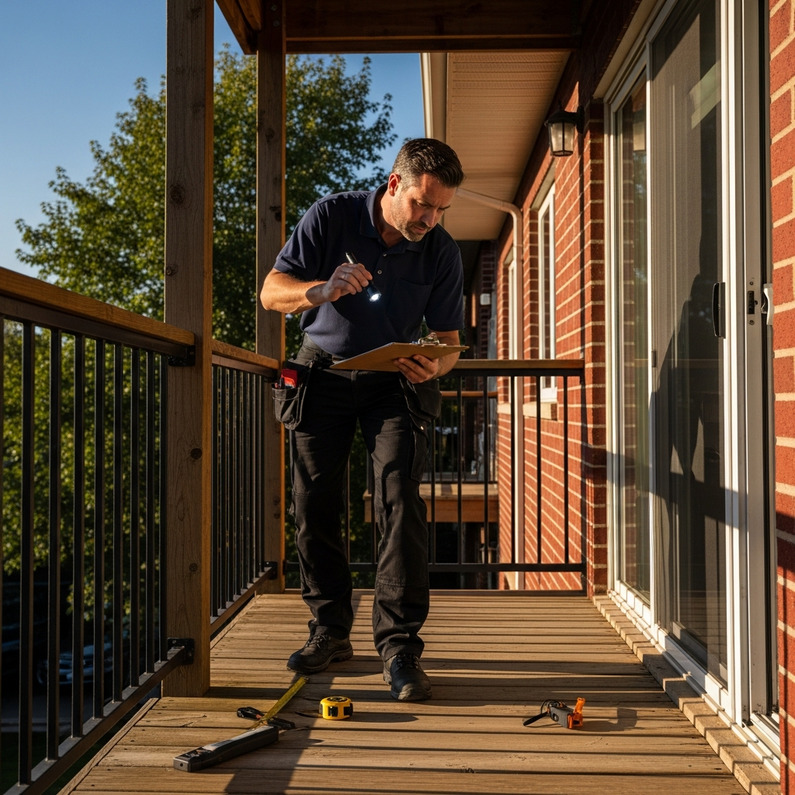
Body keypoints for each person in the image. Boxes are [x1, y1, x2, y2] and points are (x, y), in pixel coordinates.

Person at [260, 138, 465, 701]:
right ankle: (330, 629)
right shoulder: (332, 215)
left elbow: (448, 344)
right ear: (395, 184)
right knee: (315, 500)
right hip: (320, 375)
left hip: (393, 383)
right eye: (424, 204)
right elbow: (270, 293)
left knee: (399, 496)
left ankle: (399, 647)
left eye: (442, 208)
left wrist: (434, 364)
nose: (431, 218)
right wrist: (319, 290)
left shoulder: (441, 250)